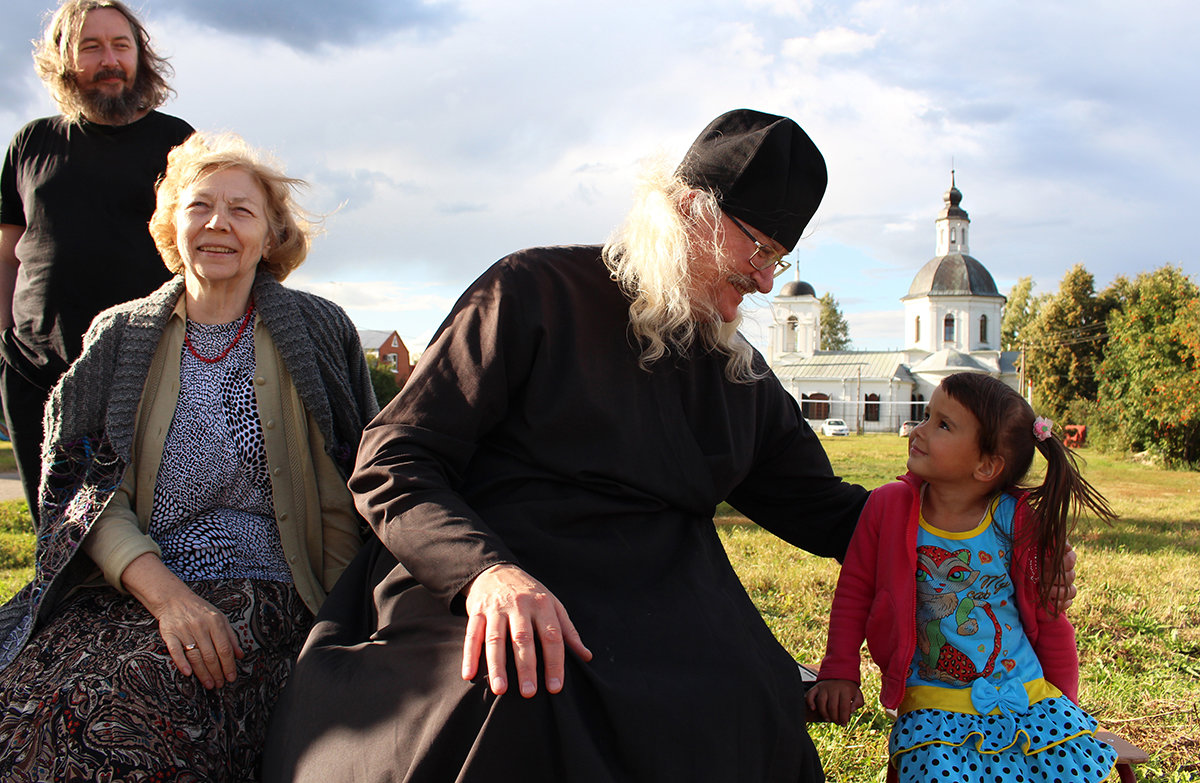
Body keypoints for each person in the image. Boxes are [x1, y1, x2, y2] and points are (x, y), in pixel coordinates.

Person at [260, 109, 862, 782]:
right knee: (516, 690)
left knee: (744, 700)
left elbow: (825, 508)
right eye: (757, 249)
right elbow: (394, 460)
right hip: (488, 570)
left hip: (660, 599)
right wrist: (484, 574)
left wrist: (969, 510)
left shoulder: (734, 369)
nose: (765, 280)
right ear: (690, 207)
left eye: (778, 259)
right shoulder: (532, 290)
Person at [0, 132, 378, 781]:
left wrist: (342, 633)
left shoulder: (317, 329)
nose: (218, 224)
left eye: (241, 209)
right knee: (19, 705)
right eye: (200, 206)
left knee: (117, 718)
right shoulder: (121, 334)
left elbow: (363, 473)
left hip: (273, 592)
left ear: (271, 232)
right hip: (138, 587)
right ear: (172, 222)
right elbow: (82, 490)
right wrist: (166, 593)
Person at [806, 372, 1117, 782]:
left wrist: (1066, 707)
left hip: (1027, 700)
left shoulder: (1018, 520)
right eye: (928, 415)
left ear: (987, 466)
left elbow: (1049, 619)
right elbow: (854, 593)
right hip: (934, 707)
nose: (918, 430)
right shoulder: (889, 506)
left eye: (943, 424)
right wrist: (839, 671)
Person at [0, 0, 193, 523]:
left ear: (140, 57)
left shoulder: (178, 142)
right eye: (91, 46)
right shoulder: (30, 143)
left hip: (143, 368)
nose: (109, 59)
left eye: (120, 45)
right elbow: (7, 253)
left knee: (142, 521)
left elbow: (198, 251)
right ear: (65, 60)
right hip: (33, 369)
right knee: (52, 527)